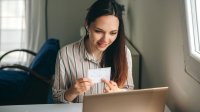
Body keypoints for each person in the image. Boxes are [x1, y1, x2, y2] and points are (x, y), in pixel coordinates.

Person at [52, 0, 134, 103]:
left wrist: (118, 92)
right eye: (98, 31)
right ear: (87, 24)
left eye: (113, 33)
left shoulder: (124, 53)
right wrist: (73, 91)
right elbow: (56, 98)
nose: (105, 40)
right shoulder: (65, 54)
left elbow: (129, 90)